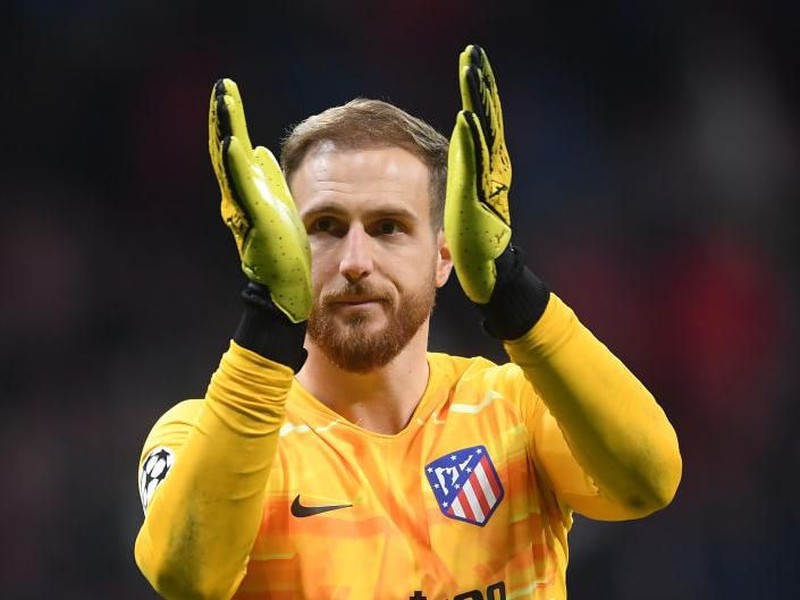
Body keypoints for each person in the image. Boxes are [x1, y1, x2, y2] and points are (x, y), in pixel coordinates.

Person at [134, 45, 681, 600]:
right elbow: (187, 578)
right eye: (324, 226)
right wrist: (268, 318)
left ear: (445, 255)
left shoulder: (516, 408)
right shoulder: (207, 435)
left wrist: (510, 287)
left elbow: (648, 481)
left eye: (389, 227)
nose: (354, 261)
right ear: (279, 241)